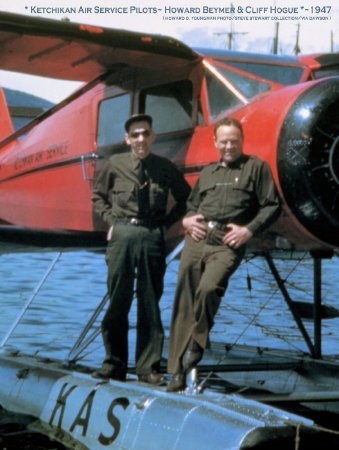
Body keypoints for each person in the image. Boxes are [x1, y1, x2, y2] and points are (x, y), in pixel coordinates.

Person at [166, 117, 281, 392]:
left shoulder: (257, 168)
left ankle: (196, 344)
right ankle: (177, 372)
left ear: (241, 141)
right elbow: (192, 204)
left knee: (207, 289)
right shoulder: (208, 173)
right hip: (197, 238)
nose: (229, 146)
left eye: (234, 141)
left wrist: (248, 231)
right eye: (224, 141)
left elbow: (271, 206)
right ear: (216, 143)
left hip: (226, 243)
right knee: (184, 300)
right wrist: (186, 221)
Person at [92, 113, 191, 386]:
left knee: (150, 301)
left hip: (151, 236)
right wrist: (112, 222)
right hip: (123, 234)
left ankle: (148, 369)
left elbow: (186, 198)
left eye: (145, 133)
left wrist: (166, 226)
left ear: (153, 136)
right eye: (135, 134)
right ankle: (114, 364)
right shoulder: (115, 164)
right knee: (118, 299)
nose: (140, 139)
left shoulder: (164, 167)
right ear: (127, 139)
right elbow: (98, 196)